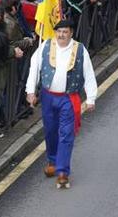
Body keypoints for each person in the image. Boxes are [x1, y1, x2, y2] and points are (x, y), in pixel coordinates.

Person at [25, 19, 98, 189]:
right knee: (50, 131)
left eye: (65, 32)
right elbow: (34, 67)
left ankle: (63, 171)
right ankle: (52, 161)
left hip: (68, 98)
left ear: (71, 33)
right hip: (48, 97)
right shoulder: (45, 46)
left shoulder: (80, 49)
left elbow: (89, 74)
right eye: (59, 32)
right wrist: (30, 91)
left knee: (66, 134)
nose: (61, 35)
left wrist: (91, 98)